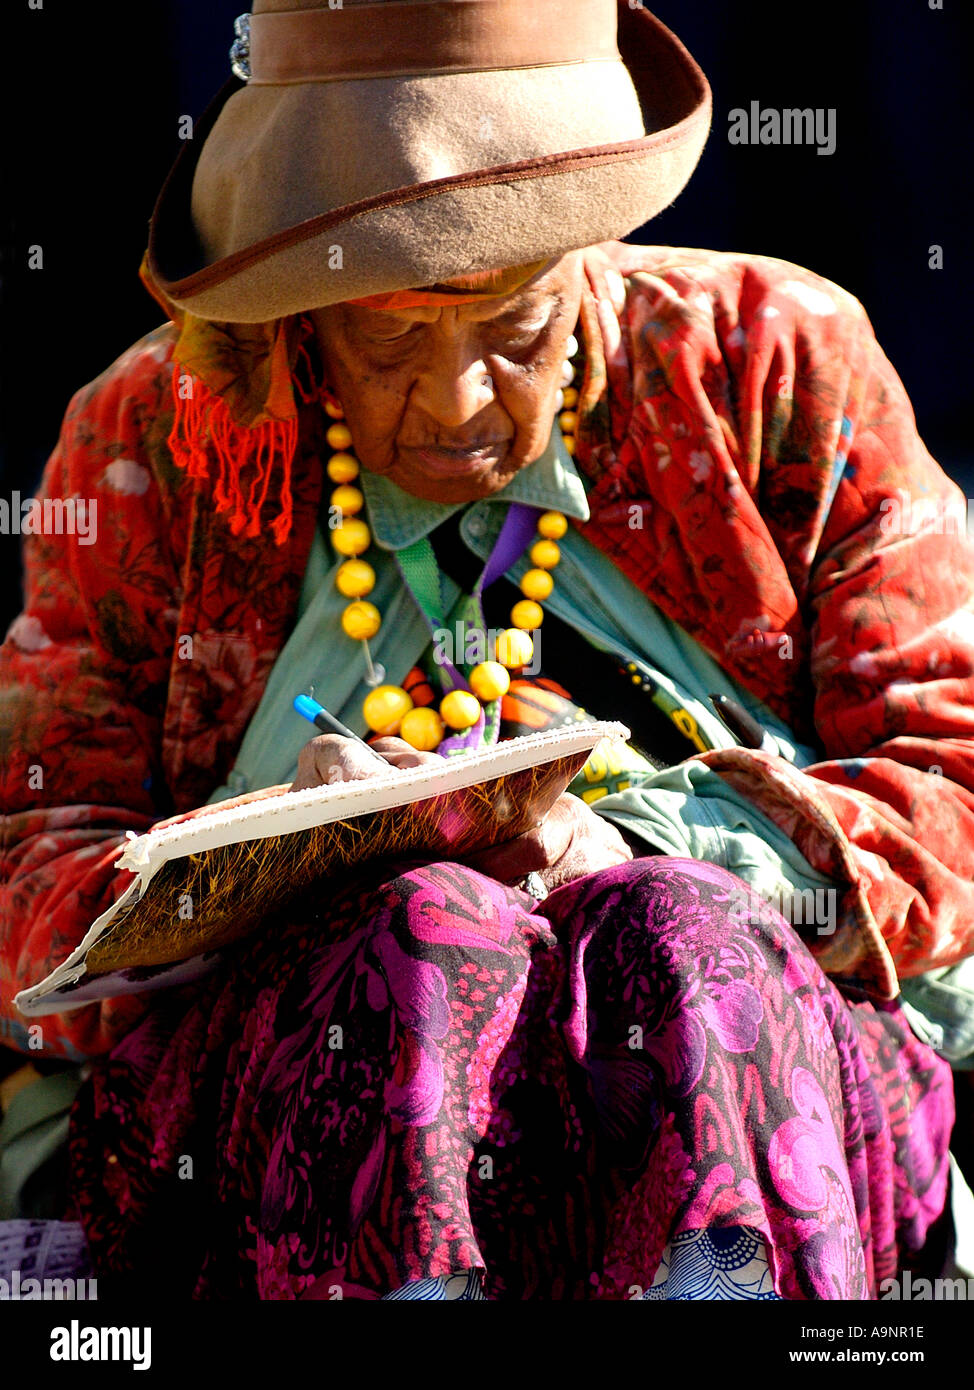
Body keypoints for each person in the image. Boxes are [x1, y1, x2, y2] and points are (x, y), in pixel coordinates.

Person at [2, 0, 972, 1301]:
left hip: (744, 1043)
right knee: (418, 931)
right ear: (300, 313)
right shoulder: (154, 436)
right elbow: (26, 868)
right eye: (389, 338)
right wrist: (277, 869)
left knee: (672, 933)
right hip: (289, 1097)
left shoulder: (770, 362)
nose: (456, 401)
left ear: (592, 255)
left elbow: (955, 783)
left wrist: (633, 840)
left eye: (514, 333)